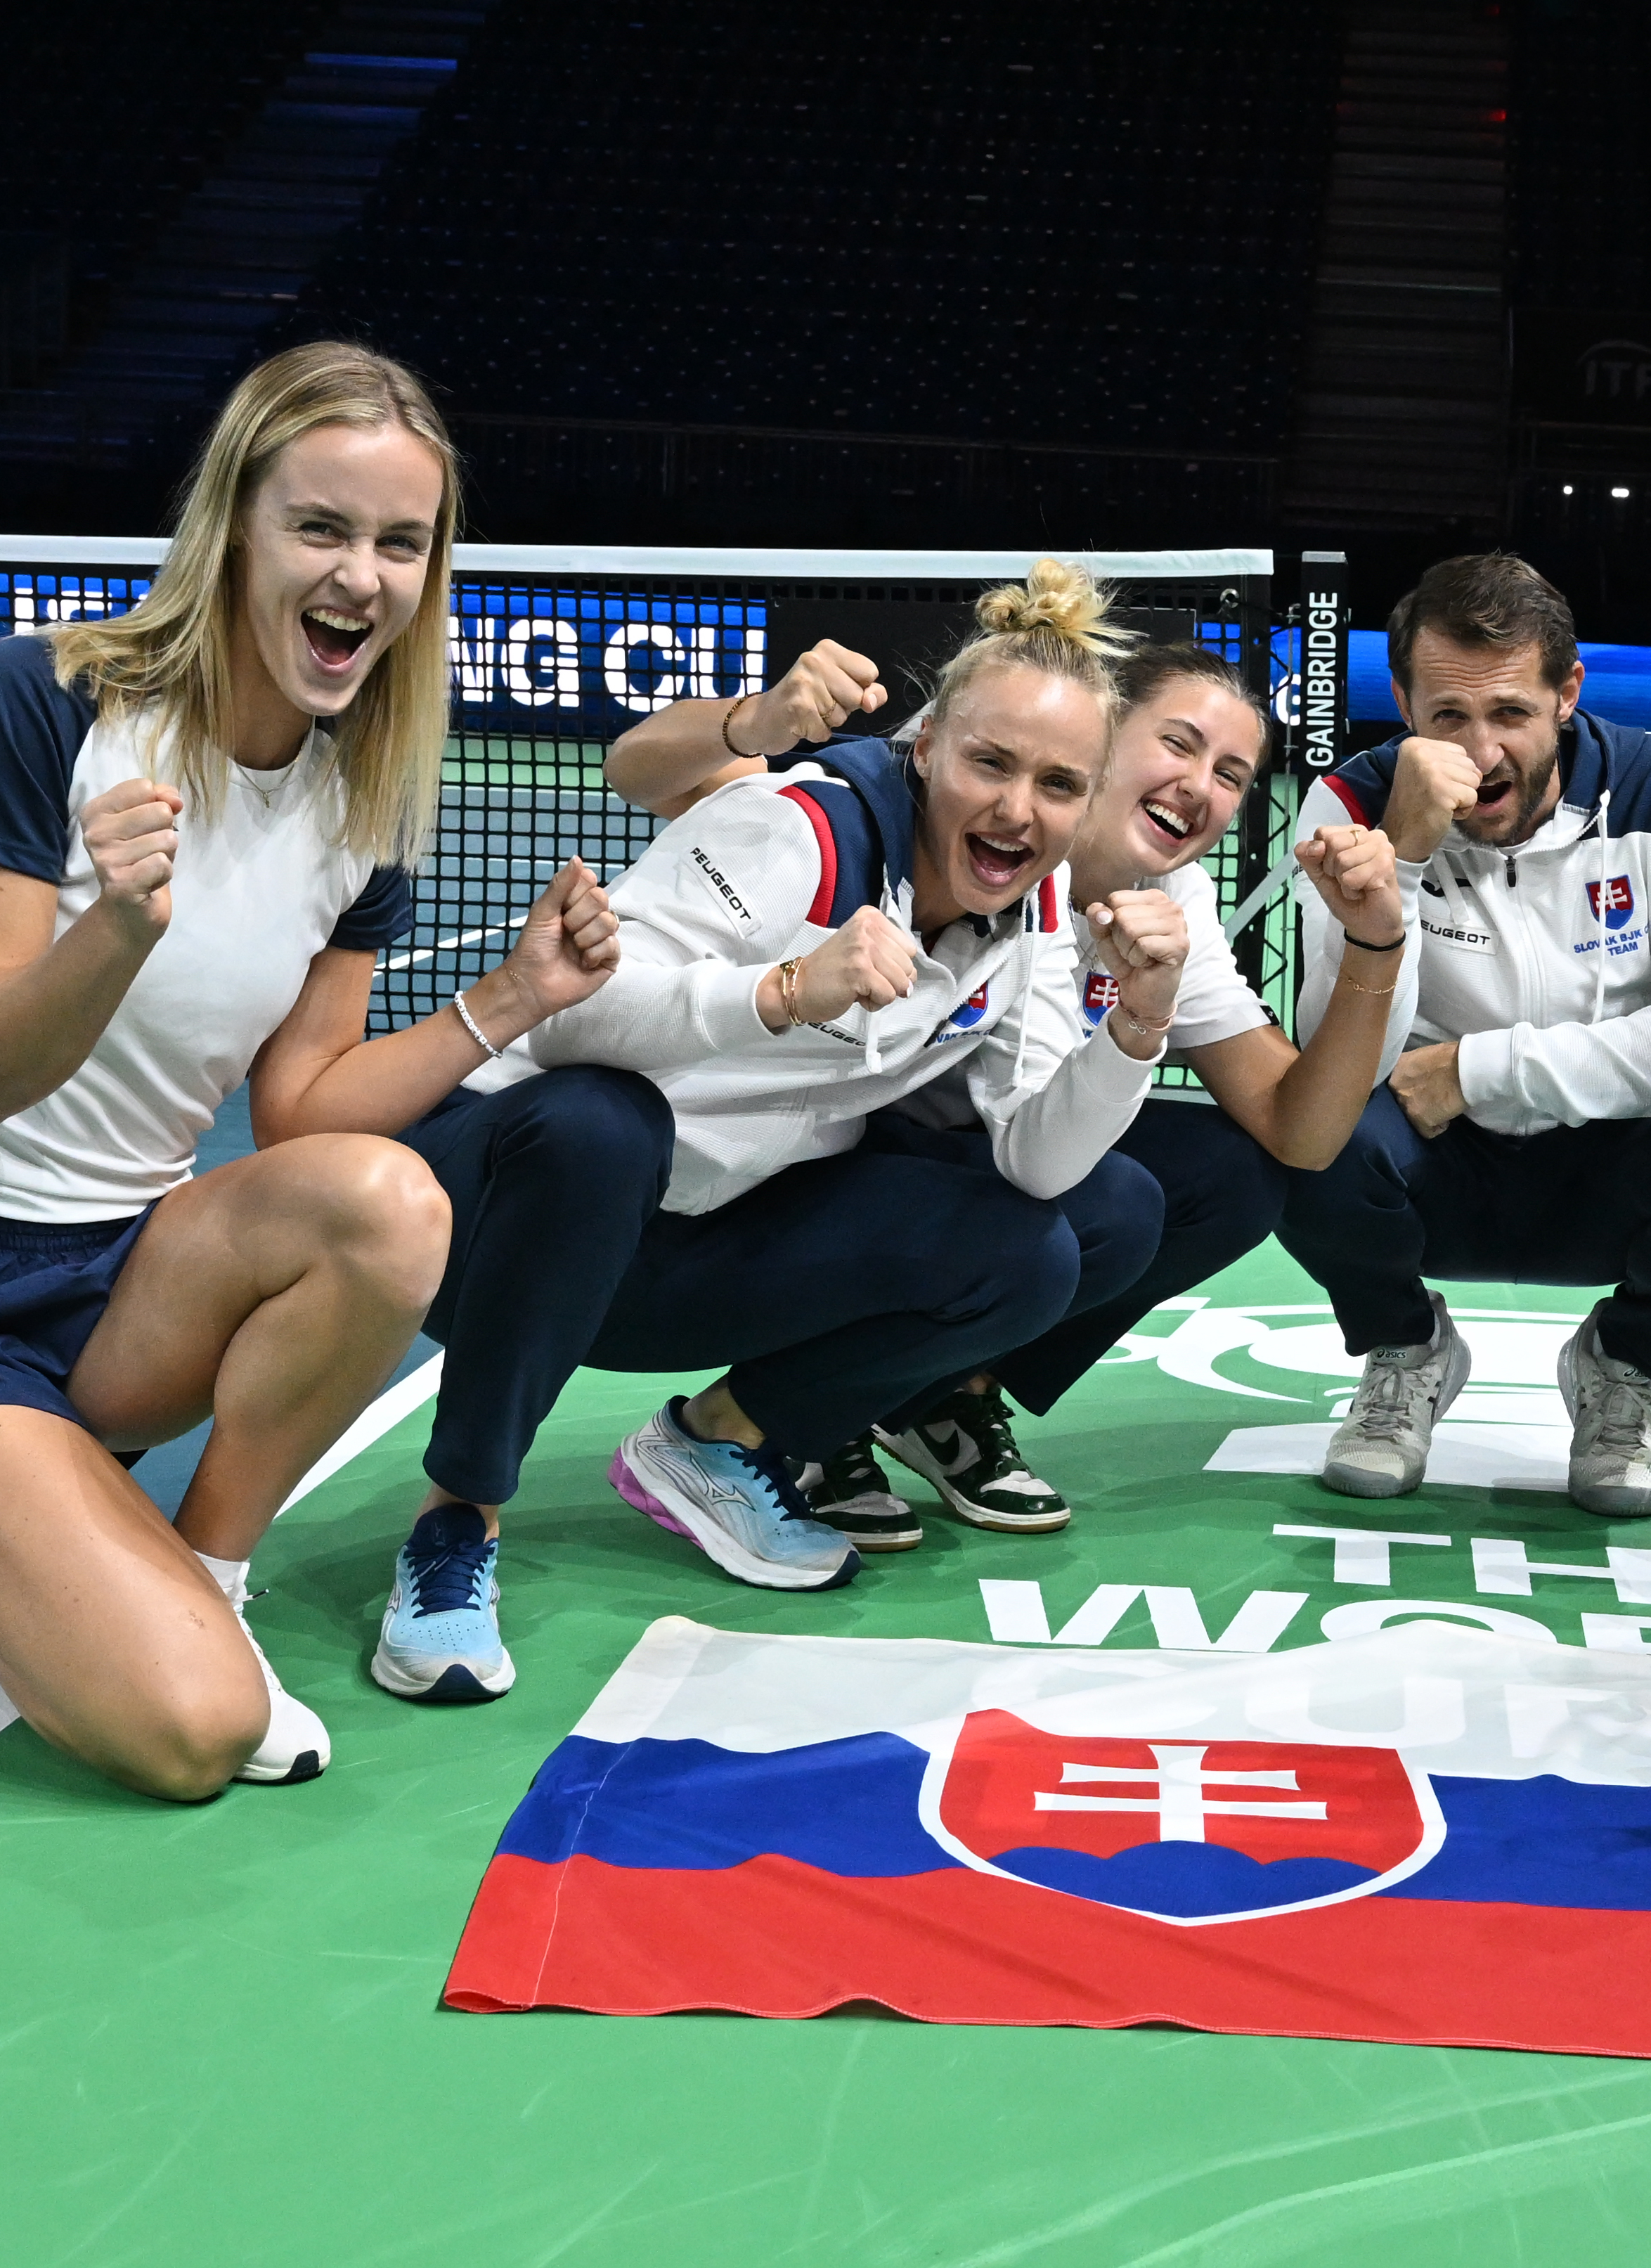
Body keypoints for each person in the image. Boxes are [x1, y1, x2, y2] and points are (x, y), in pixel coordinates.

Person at [0, 342, 623, 1799]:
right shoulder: (35, 703)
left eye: (400, 542)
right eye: (322, 527)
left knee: (390, 1201)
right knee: (192, 1736)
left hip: (117, 1287)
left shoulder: (364, 802)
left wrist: (513, 997)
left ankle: (197, 1573)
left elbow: (303, 1110)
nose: (362, 574)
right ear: (235, 528)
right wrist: (115, 929)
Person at [365, 564, 1192, 1692]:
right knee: (600, 1122)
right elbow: (571, 1018)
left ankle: (718, 1442)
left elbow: (1038, 1158)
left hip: (684, 1253)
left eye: (1057, 783)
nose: (1016, 809)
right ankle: (457, 1521)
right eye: (989, 763)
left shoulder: (1033, 919)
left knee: (1048, 1240)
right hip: (494, 1218)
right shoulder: (796, 830)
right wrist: (785, 989)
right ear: (926, 746)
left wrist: (1136, 1024)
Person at [599, 640, 1467, 1546]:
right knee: (1085, 1202)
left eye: (1231, 775)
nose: (1200, 786)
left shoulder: (1171, 896)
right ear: (1099, 735)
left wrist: (1377, 937)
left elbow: (1302, 1133)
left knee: (1223, 1178)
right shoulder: (933, 812)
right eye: (1178, 744)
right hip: (796, 1168)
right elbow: (652, 777)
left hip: (981, 1168)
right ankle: (807, 1414)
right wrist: (750, 721)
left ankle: (931, 1398)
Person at [1274, 552, 1651, 1519]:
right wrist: (1395, 861)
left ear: (1566, 693)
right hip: (1429, 1161)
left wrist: (1481, 1072)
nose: (1479, 755)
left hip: (1610, 1159)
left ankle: (1621, 1366)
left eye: (1510, 713)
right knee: (1301, 1138)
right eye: (1446, 716)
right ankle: (1404, 1350)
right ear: (1400, 699)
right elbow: (1332, 1053)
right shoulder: (1351, 806)